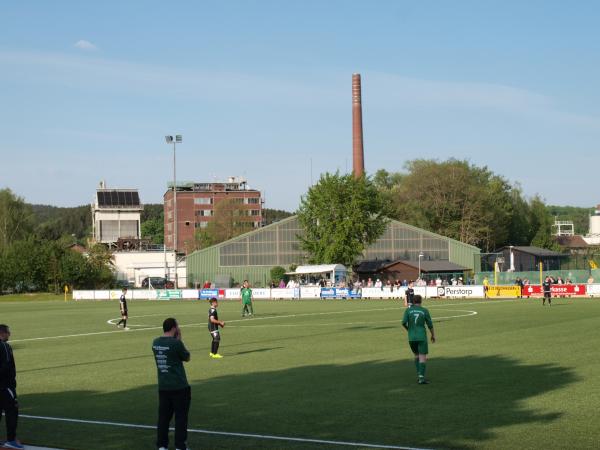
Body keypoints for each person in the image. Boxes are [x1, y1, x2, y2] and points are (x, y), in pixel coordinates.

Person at [152, 318, 191, 450]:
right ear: (174, 328)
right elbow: (187, 357)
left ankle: (162, 445)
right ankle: (180, 446)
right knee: (181, 418)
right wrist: (179, 339)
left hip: (163, 386)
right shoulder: (175, 343)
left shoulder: (155, 343)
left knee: (163, 418)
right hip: (179, 386)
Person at [402, 296, 436, 385]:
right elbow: (430, 325)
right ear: (421, 301)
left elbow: (403, 322)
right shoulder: (424, 310)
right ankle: (421, 378)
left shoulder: (408, 310)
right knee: (422, 357)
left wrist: (409, 329)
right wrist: (433, 335)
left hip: (411, 337)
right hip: (422, 337)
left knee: (416, 355)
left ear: (413, 302)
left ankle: (419, 375)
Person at [0, 325, 22, 450]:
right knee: (12, 411)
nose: (9, 334)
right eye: (8, 332)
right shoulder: (4, 346)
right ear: (2, 333)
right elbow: (7, 366)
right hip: (5, 386)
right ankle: (11, 440)